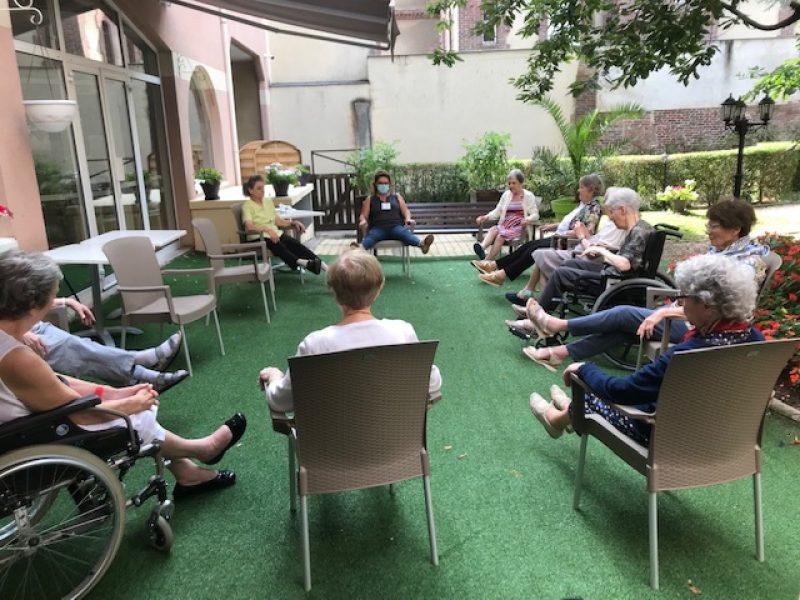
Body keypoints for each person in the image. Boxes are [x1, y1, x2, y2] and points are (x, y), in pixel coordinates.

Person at [0, 250, 247, 499]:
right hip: (30, 434)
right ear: (33, 304)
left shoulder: (9, 343)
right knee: (140, 417)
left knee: (134, 404)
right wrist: (130, 403)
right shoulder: (16, 358)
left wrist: (114, 392)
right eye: (53, 295)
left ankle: (189, 472)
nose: (54, 302)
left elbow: (55, 383)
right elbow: (78, 413)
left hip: (25, 421)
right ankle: (202, 451)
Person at [528, 253, 764, 444]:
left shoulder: (688, 352)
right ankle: (568, 409)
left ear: (707, 305)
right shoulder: (757, 342)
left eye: (683, 298)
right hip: (724, 440)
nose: (679, 305)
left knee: (591, 396)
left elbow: (623, 391)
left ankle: (557, 418)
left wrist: (584, 369)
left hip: (667, 440)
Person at [520, 198, 769, 371]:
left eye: (713, 226)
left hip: (706, 329)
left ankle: (556, 325)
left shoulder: (745, 263)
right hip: (688, 315)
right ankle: (558, 353)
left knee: (624, 314)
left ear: (735, 229)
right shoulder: (724, 252)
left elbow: (720, 310)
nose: (707, 231)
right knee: (627, 326)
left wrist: (663, 312)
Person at [261, 249, 441, 412]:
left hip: (329, 448)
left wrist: (274, 377)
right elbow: (433, 384)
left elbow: (281, 402)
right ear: (379, 289)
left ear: (333, 291)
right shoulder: (402, 333)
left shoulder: (314, 345)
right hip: (397, 445)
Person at [24, 296, 188, 392]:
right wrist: (21, 334)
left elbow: (19, 305)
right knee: (73, 347)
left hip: (35, 327)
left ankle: (140, 375)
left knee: (81, 346)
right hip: (14, 339)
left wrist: (67, 301)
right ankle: (142, 362)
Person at [474, 173, 605, 290]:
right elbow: (571, 223)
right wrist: (552, 225)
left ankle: (500, 274)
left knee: (532, 251)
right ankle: (494, 266)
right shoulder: (584, 205)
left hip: (564, 242)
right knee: (528, 246)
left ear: (591, 190)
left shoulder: (593, 208)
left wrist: (566, 233)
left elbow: (587, 232)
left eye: (581, 187)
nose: (578, 190)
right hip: (559, 237)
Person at [242, 174, 325, 275]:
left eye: (263, 188)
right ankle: (304, 263)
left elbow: (278, 221)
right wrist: (267, 230)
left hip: (274, 233)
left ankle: (324, 266)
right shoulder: (247, 206)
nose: (262, 191)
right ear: (250, 190)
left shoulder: (268, 202)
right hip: (258, 236)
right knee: (277, 244)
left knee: (295, 244)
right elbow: (249, 226)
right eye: (259, 188)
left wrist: (293, 223)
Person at [356, 170, 434, 254]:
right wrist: (363, 221)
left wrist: (408, 219)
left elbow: (406, 210)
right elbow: (363, 215)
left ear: (389, 184)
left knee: (404, 234)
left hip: (395, 227)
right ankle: (358, 249)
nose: (383, 185)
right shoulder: (370, 199)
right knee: (371, 236)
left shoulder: (396, 196)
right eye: (380, 183)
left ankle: (422, 244)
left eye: (386, 183)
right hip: (378, 227)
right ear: (375, 184)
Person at [473, 169, 539, 261]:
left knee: (501, 235)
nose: (511, 186)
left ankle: (487, 261)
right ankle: (482, 248)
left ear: (521, 183)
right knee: (493, 230)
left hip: (519, 227)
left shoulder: (528, 196)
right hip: (505, 225)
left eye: (514, 183)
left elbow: (535, 214)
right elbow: (498, 211)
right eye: (509, 183)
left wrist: (528, 219)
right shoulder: (506, 195)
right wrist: (486, 217)